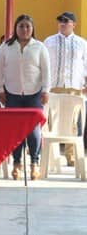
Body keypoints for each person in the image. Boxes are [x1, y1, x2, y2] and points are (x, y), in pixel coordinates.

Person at [0, 14, 50, 181]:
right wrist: (0, 89)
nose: (24, 29)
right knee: (15, 131)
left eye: (28, 26)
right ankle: (17, 163)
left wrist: (46, 90)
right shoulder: (6, 47)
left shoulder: (39, 47)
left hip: (34, 94)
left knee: (34, 130)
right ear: (15, 29)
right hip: (12, 94)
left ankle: (34, 163)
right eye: (21, 26)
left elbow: (46, 70)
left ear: (32, 29)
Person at [43, 11, 87, 167]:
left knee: (73, 123)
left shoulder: (82, 43)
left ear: (73, 24)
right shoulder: (49, 41)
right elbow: (44, 63)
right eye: (60, 21)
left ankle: (71, 155)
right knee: (52, 121)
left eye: (66, 21)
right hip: (54, 86)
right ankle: (52, 157)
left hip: (74, 87)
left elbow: (86, 65)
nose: (62, 23)